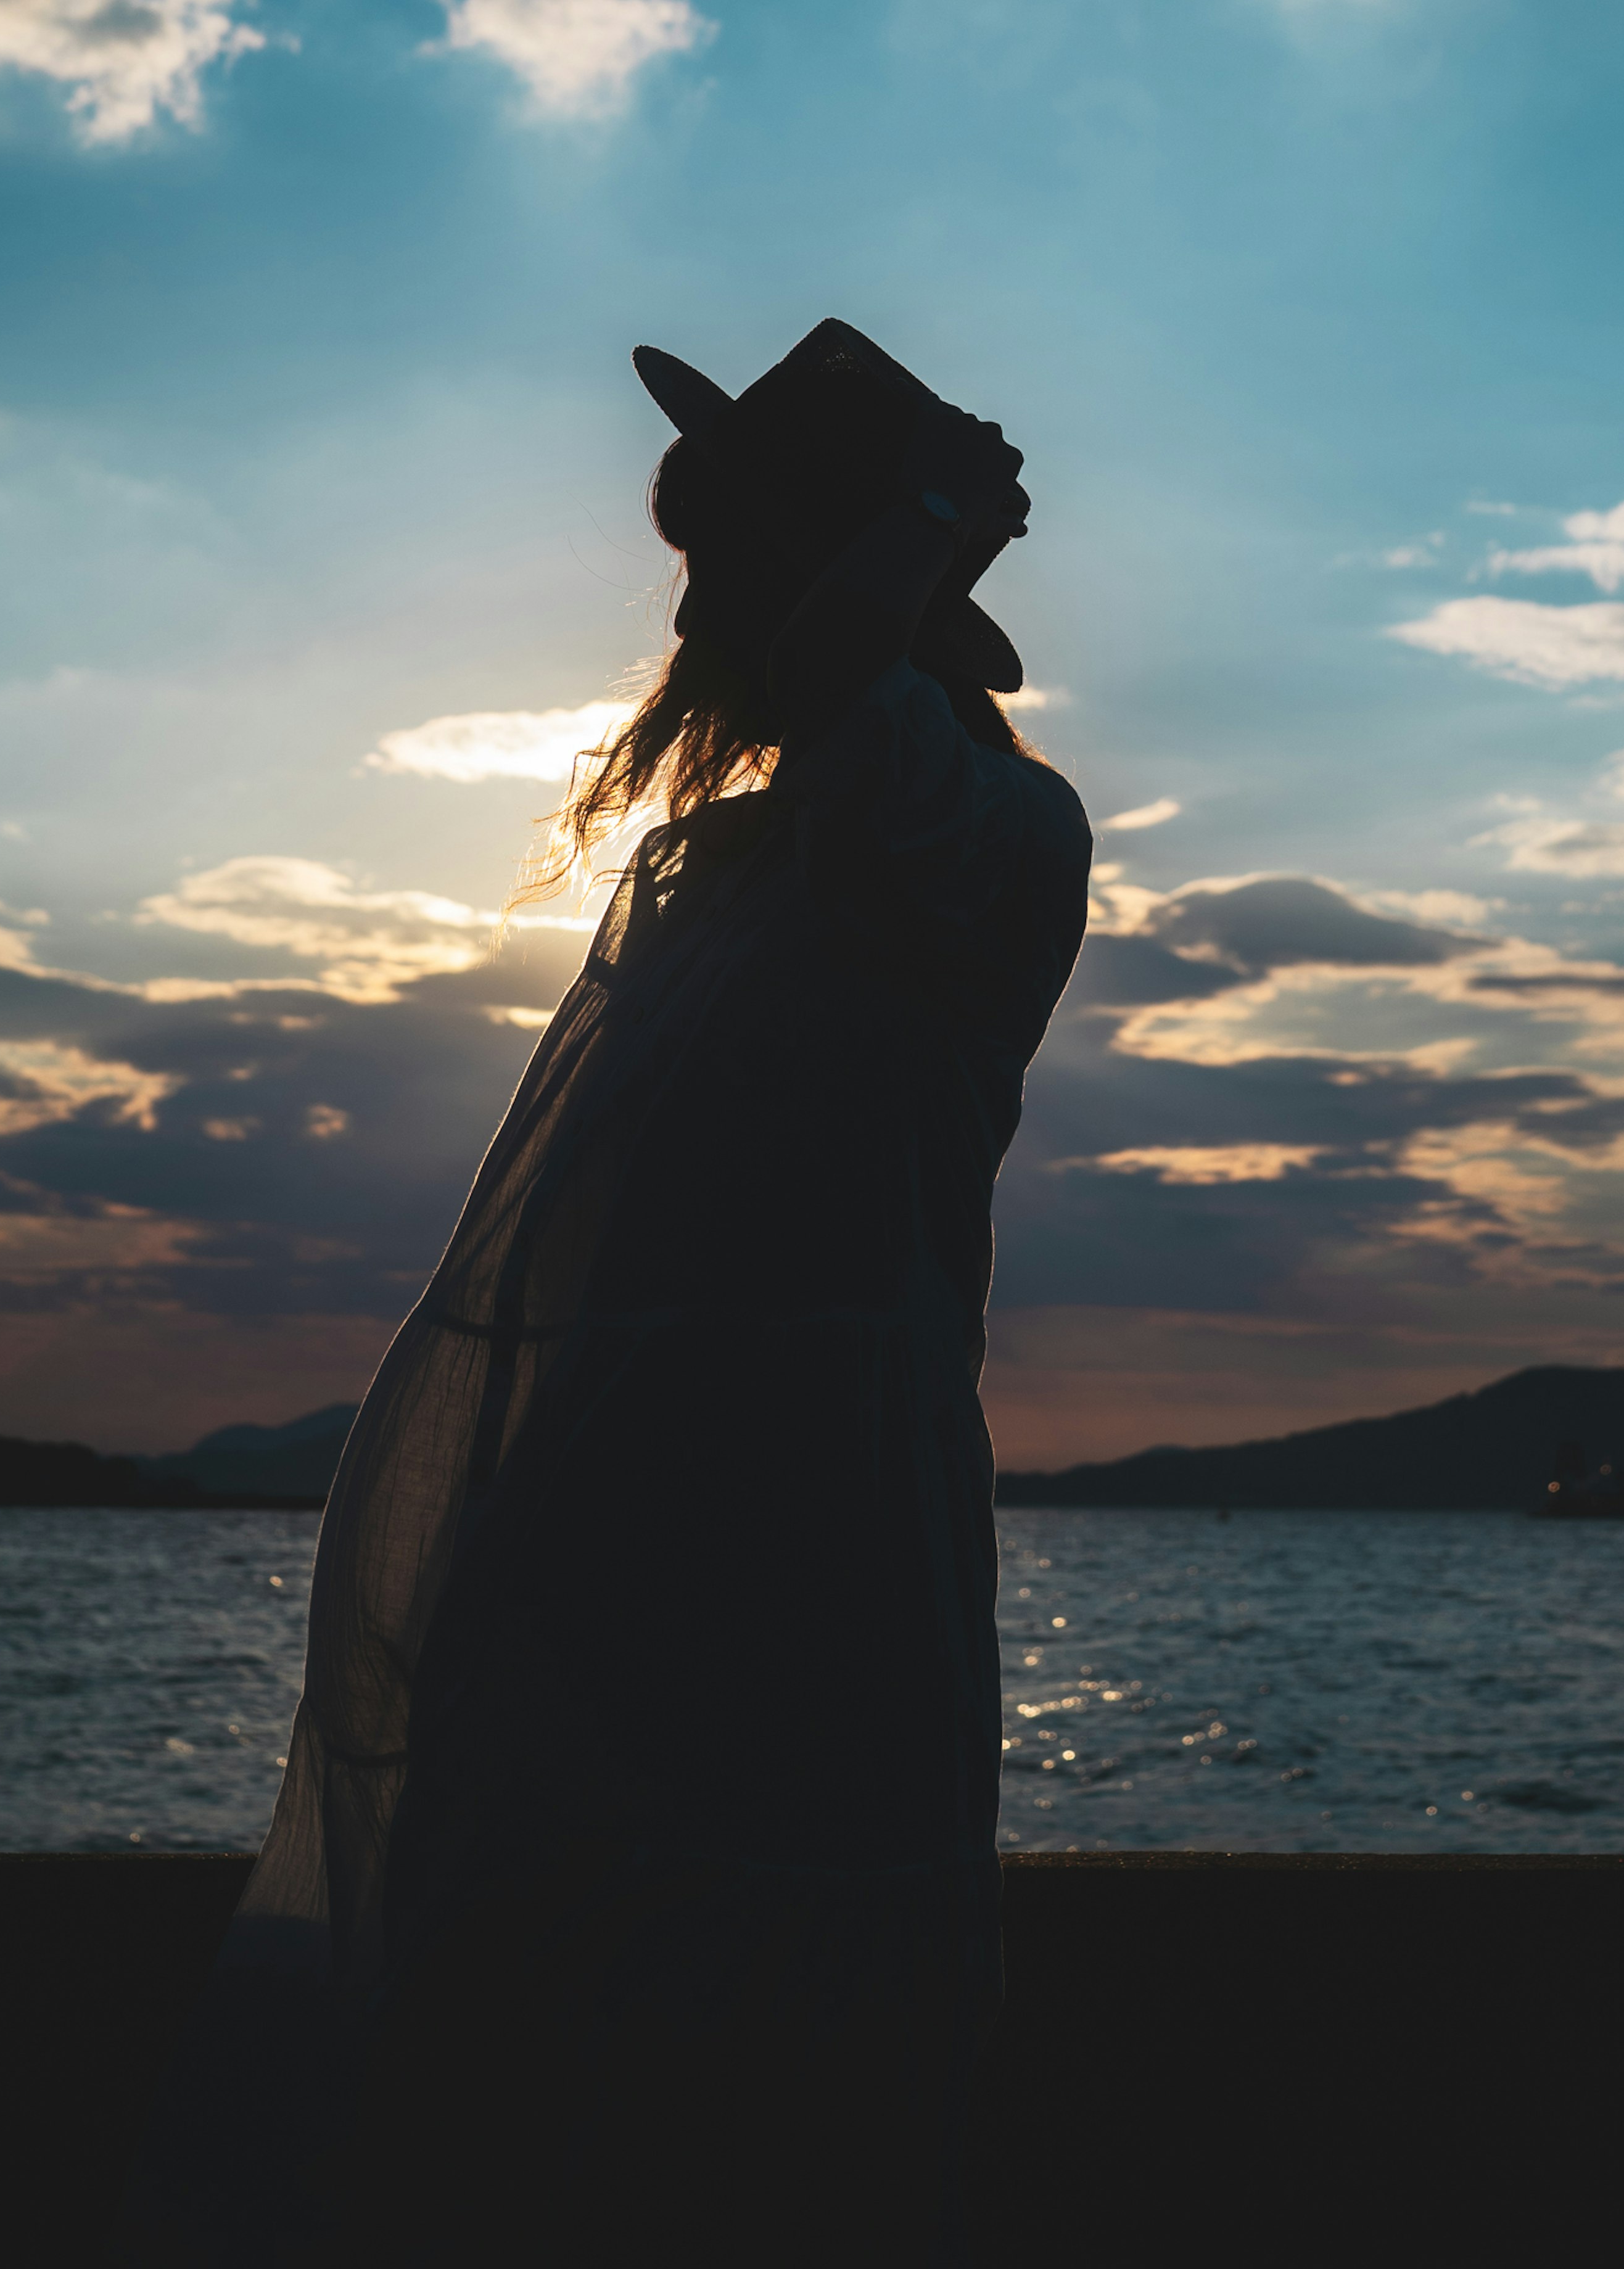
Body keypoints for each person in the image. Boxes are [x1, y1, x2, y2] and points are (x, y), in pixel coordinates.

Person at [121, 318, 1092, 2267]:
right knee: (532, 2088)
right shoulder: (716, 865)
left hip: (812, 1559)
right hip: (597, 1552)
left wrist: (928, 517)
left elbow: (834, 674)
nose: (694, 606)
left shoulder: (991, 835)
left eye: (729, 561)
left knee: (760, 2093)